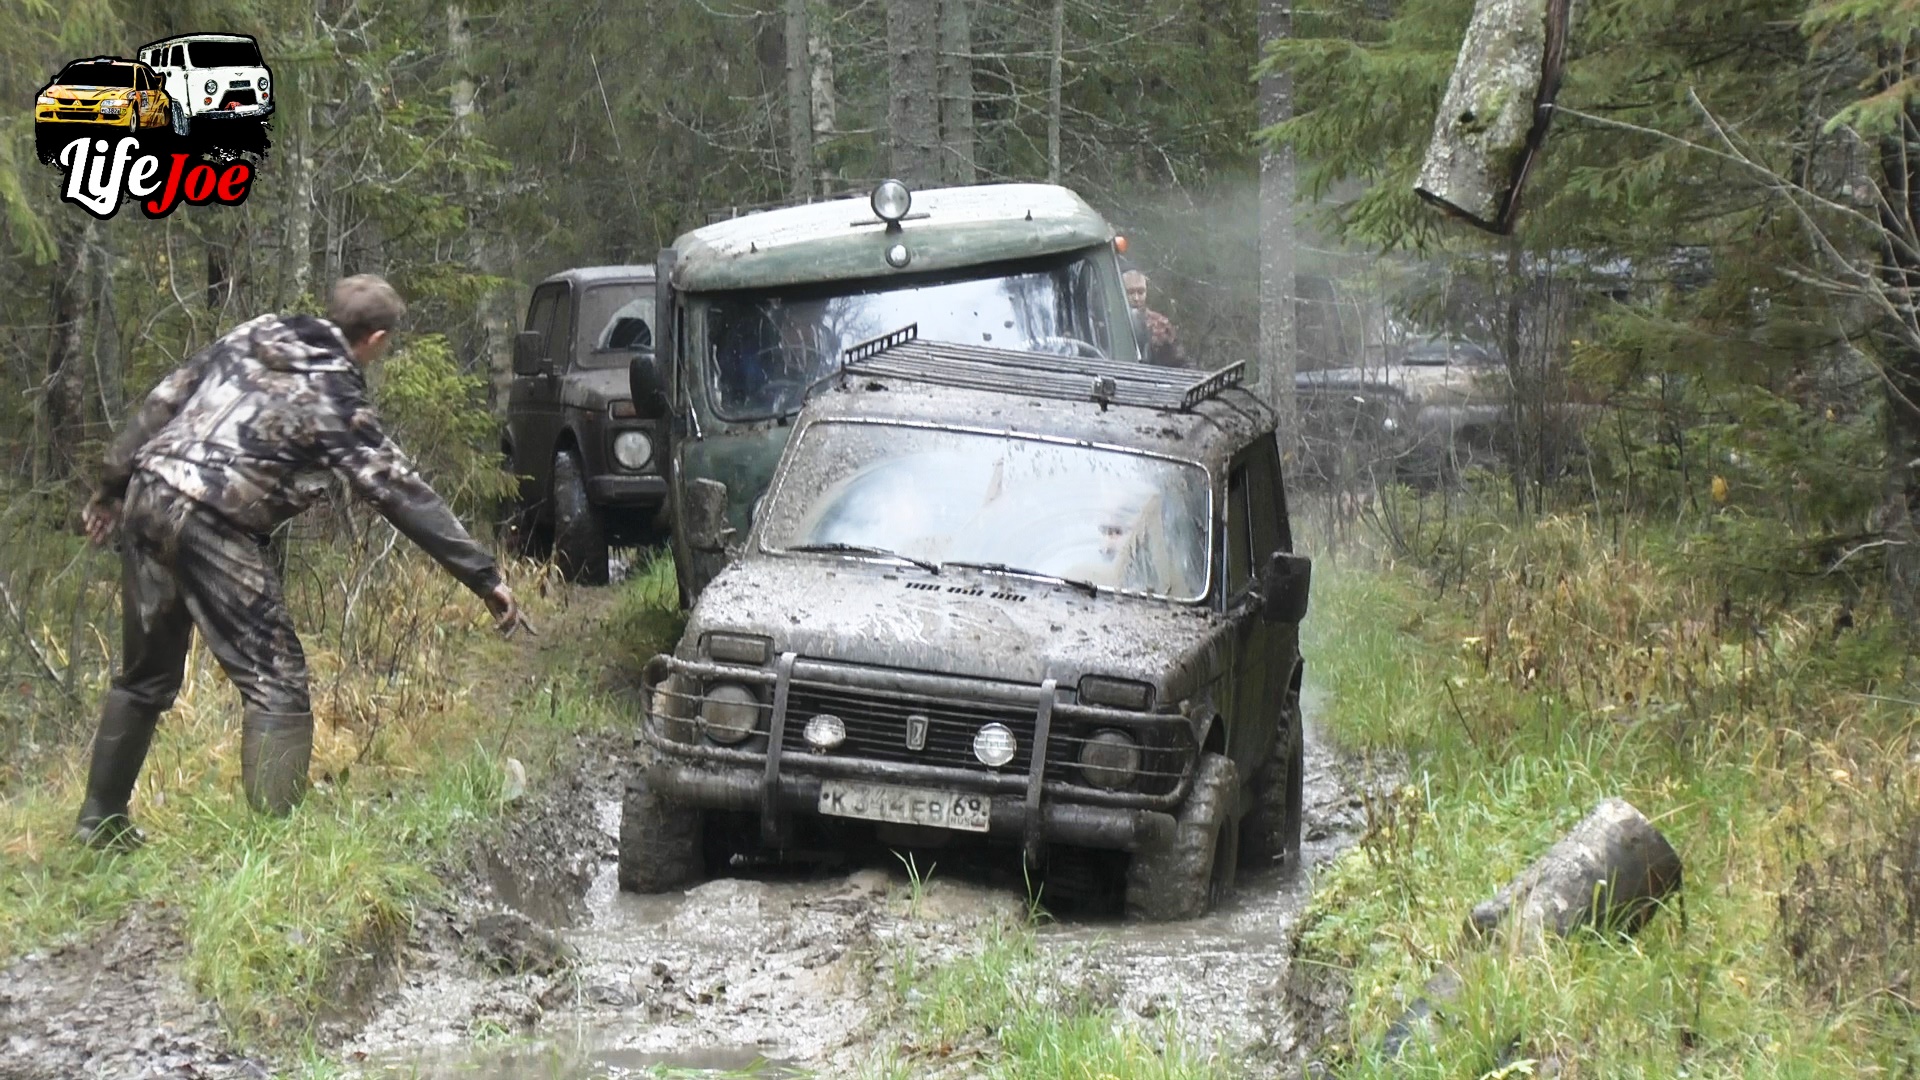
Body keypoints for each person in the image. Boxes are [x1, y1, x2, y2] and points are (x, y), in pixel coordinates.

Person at [74, 275, 523, 848]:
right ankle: (274, 849)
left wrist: (111, 487)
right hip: (212, 517)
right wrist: (483, 576)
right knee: (277, 681)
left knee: (144, 678)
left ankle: (99, 821)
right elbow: (397, 490)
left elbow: (164, 399)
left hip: (149, 491)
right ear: (376, 338)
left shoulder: (258, 332)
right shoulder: (334, 389)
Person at [1122, 269, 1186, 368]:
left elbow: (1177, 362)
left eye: (1141, 292)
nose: (1136, 298)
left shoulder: (1159, 323)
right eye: (1130, 292)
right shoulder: (1106, 322)